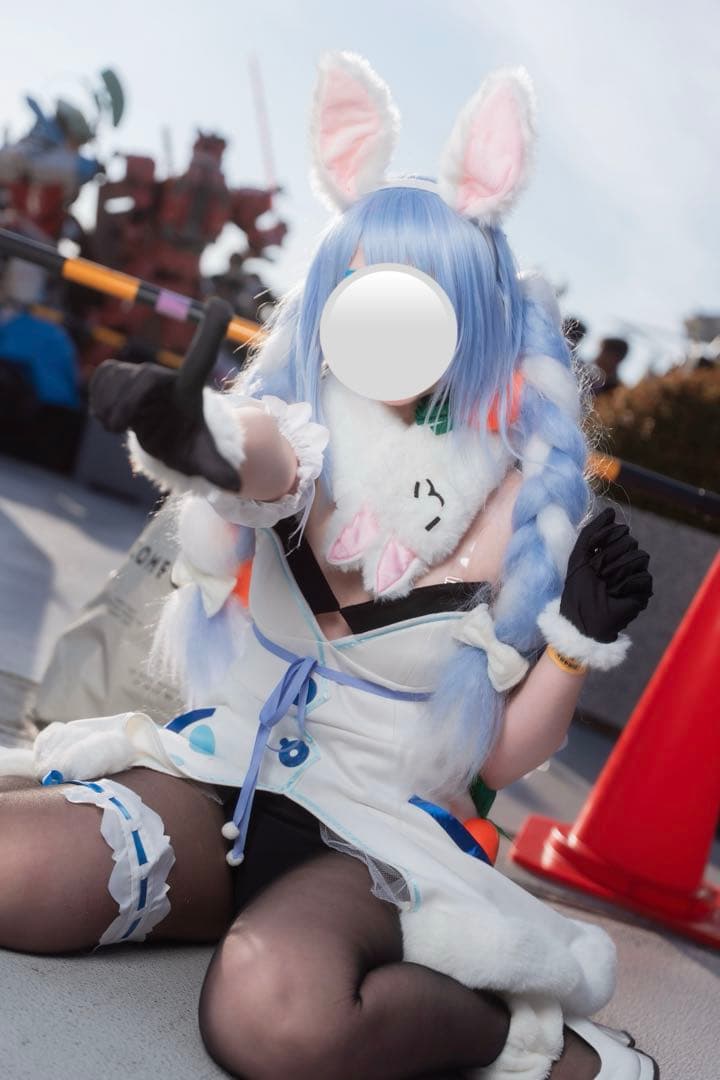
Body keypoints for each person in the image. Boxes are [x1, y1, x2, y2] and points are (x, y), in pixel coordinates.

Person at [0, 53, 655, 1079]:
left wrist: (577, 644)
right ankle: (195, 900)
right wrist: (194, 435)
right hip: (221, 775)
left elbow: (495, 761)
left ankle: (527, 1039)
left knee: (275, 1022)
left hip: (377, 836)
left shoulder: (521, 499)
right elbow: (262, 459)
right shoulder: (300, 420)